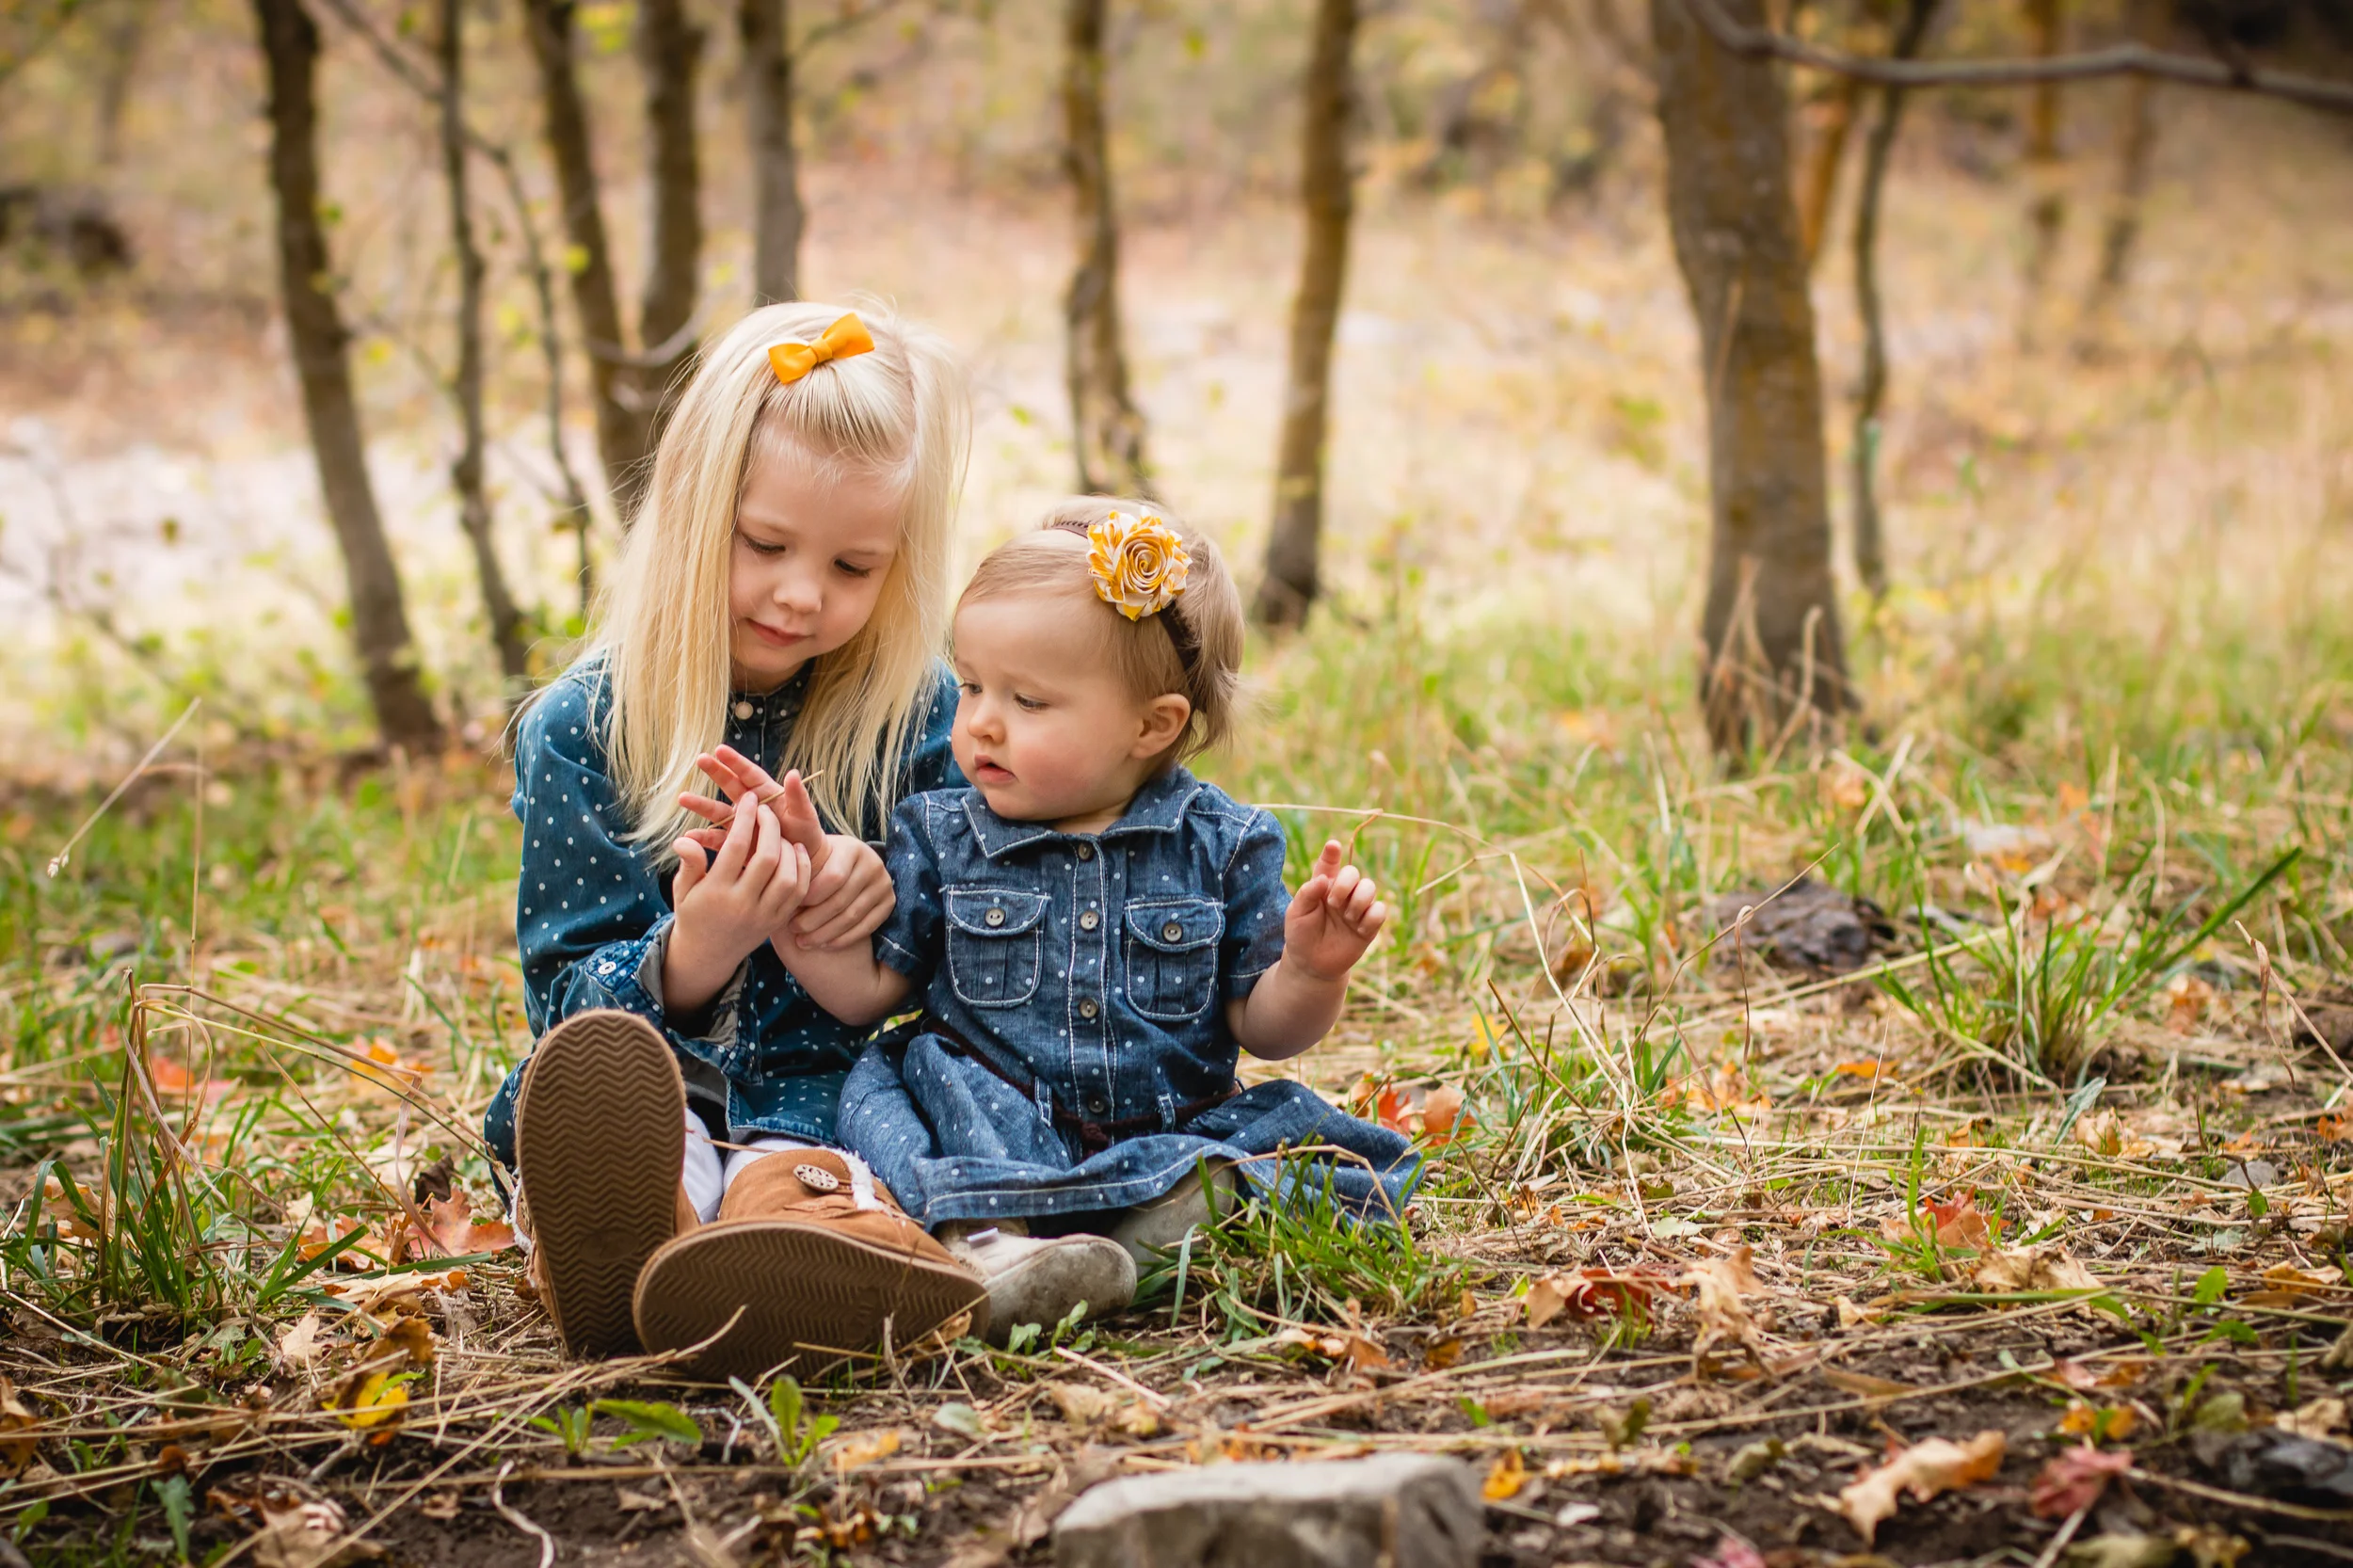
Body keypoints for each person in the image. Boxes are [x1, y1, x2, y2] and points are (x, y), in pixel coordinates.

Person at [770, 498, 1420, 1338]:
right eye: (970, 686)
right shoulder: (941, 831)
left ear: (1153, 726)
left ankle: (1152, 1228)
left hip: (1164, 1122)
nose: (980, 723)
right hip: (992, 1120)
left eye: (1028, 702)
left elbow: (1264, 1031)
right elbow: (870, 993)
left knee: (1279, 1146)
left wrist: (1311, 970)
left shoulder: (1222, 847)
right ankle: (991, 1248)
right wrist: (802, 924)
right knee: (905, 1082)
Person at [487, 303, 992, 1380]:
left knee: (812, 1180)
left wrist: (882, 902)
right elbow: (565, 1002)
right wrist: (697, 944)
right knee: (626, 1142)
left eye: (855, 568)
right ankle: (630, 1245)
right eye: (765, 544)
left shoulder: (919, 718)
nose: (801, 594)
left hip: (828, 1093)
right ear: (690, 510)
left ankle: (775, 1266)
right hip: (649, 1088)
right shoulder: (585, 728)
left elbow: (966, 965)